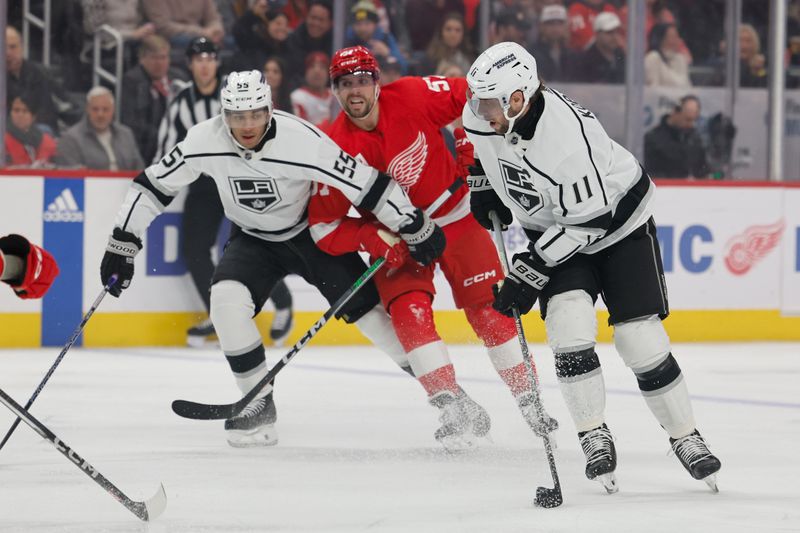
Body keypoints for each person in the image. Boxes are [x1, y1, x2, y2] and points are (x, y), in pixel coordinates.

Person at [99, 69, 446, 447]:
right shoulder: (203, 139)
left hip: (310, 236)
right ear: (223, 114)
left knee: (373, 319)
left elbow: (368, 184)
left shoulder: (303, 140)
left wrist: (412, 222)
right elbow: (153, 185)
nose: (247, 125)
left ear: (269, 109)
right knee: (225, 306)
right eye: (236, 116)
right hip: (252, 241)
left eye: (255, 114)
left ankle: (448, 397)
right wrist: (122, 241)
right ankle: (259, 405)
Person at [462, 42, 721, 491]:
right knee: (568, 328)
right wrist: (483, 185)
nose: (479, 110)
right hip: (557, 227)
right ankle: (593, 433)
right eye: (477, 100)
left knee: (641, 341)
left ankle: (686, 436)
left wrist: (528, 272)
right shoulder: (484, 114)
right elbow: (479, 146)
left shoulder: (568, 139)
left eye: (489, 102)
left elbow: (590, 223)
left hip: (617, 227)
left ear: (518, 97)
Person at [308, 46, 558, 450]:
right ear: (334, 90)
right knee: (409, 316)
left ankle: (528, 399)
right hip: (398, 239)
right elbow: (323, 226)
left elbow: (471, 94)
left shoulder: (410, 94)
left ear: (377, 82)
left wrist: (469, 143)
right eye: (345, 83)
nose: (355, 91)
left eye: (362, 81)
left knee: (490, 312)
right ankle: (453, 409)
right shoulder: (334, 147)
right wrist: (372, 239)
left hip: (457, 213)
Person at [154, 37, 295, 347]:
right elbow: (166, 151)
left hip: (240, 177)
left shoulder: (237, 95)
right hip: (204, 184)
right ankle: (218, 315)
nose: (204, 64)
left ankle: (283, 302)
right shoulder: (180, 104)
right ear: (190, 65)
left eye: (209, 58)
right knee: (194, 250)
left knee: (254, 246)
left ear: (217, 62)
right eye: (198, 59)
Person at [121, 35, 187, 165]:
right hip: (148, 147)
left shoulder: (179, 78)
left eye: (163, 57)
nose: (160, 63)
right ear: (142, 59)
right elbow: (131, 122)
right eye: (154, 58)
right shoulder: (132, 81)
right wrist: (164, 135)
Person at [54, 87, 144, 170]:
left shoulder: (126, 134)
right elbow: (69, 178)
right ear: (87, 109)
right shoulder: (70, 138)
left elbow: (139, 170)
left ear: (113, 110)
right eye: (95, 109)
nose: (100, 114)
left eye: (105, 109)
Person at [644, 96, 708, 179]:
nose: (691, 124)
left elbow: (702, 169)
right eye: (688, 119)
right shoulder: (654, 138)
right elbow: (649, 171)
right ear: (676, 112)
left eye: (694, 120)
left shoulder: (695, 139)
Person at [4, 95, 58, 168]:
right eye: (16, 110)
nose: (20, 115)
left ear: (33, 116)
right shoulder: (2, 140)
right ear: (10, 113)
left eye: (25, 111)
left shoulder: (47, 141)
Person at [0, 235, 59, 300]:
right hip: (20, 276)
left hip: (21, 248)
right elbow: (22, 293)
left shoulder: (49, 258)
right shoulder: (42, 288)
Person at [574, 12, 626, 84]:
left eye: (617, 32)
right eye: (609, 32)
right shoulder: (585, 60)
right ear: (597, 34)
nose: (615, 37)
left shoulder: (622, 56)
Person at [290, 52, 336, 128]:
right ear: (305, 72)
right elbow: (300, 129)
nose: (317, 71)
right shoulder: (297, 97)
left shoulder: (335, 96)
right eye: (312, 66)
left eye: (322, 67)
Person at [644, 23, 692, 88]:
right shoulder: (653, 58)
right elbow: (652, 89)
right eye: (673, 37)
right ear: (661, 39)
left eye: (677, 36)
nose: (678, 40)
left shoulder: (681, 59)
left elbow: (688, 87)